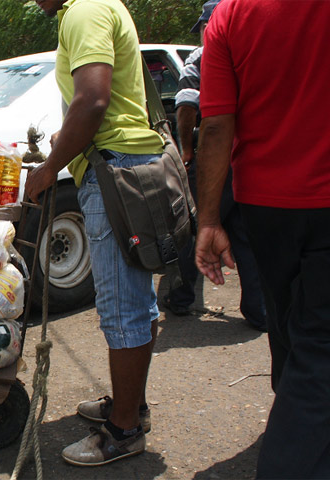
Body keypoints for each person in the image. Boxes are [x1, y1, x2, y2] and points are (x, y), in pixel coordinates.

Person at [195, 0, 330, 477]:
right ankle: (293, 448)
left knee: (289, 325)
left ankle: (293, 419)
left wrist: (208, 219)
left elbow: (216, 124)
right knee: (318, 348)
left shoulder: (230, 15)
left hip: (266, 207)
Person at [27, 0, 165, 466]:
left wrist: (50, 168)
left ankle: (123, 431)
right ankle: (131, 406)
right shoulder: (100, 4)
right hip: (121, 164)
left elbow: (92, 100)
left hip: (115, 171)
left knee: (123, 309)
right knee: (135, 302)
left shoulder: (83, 9)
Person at [163, 0, 267, 332]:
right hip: (247, 159)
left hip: (215, 156)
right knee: (242, 234)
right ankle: (259, 310)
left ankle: (180, 297)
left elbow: (186, 108)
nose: (203, 33)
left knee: (194, 226)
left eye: (204, 26)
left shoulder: (205, 55)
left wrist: (188, 151)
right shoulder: (254, 50)